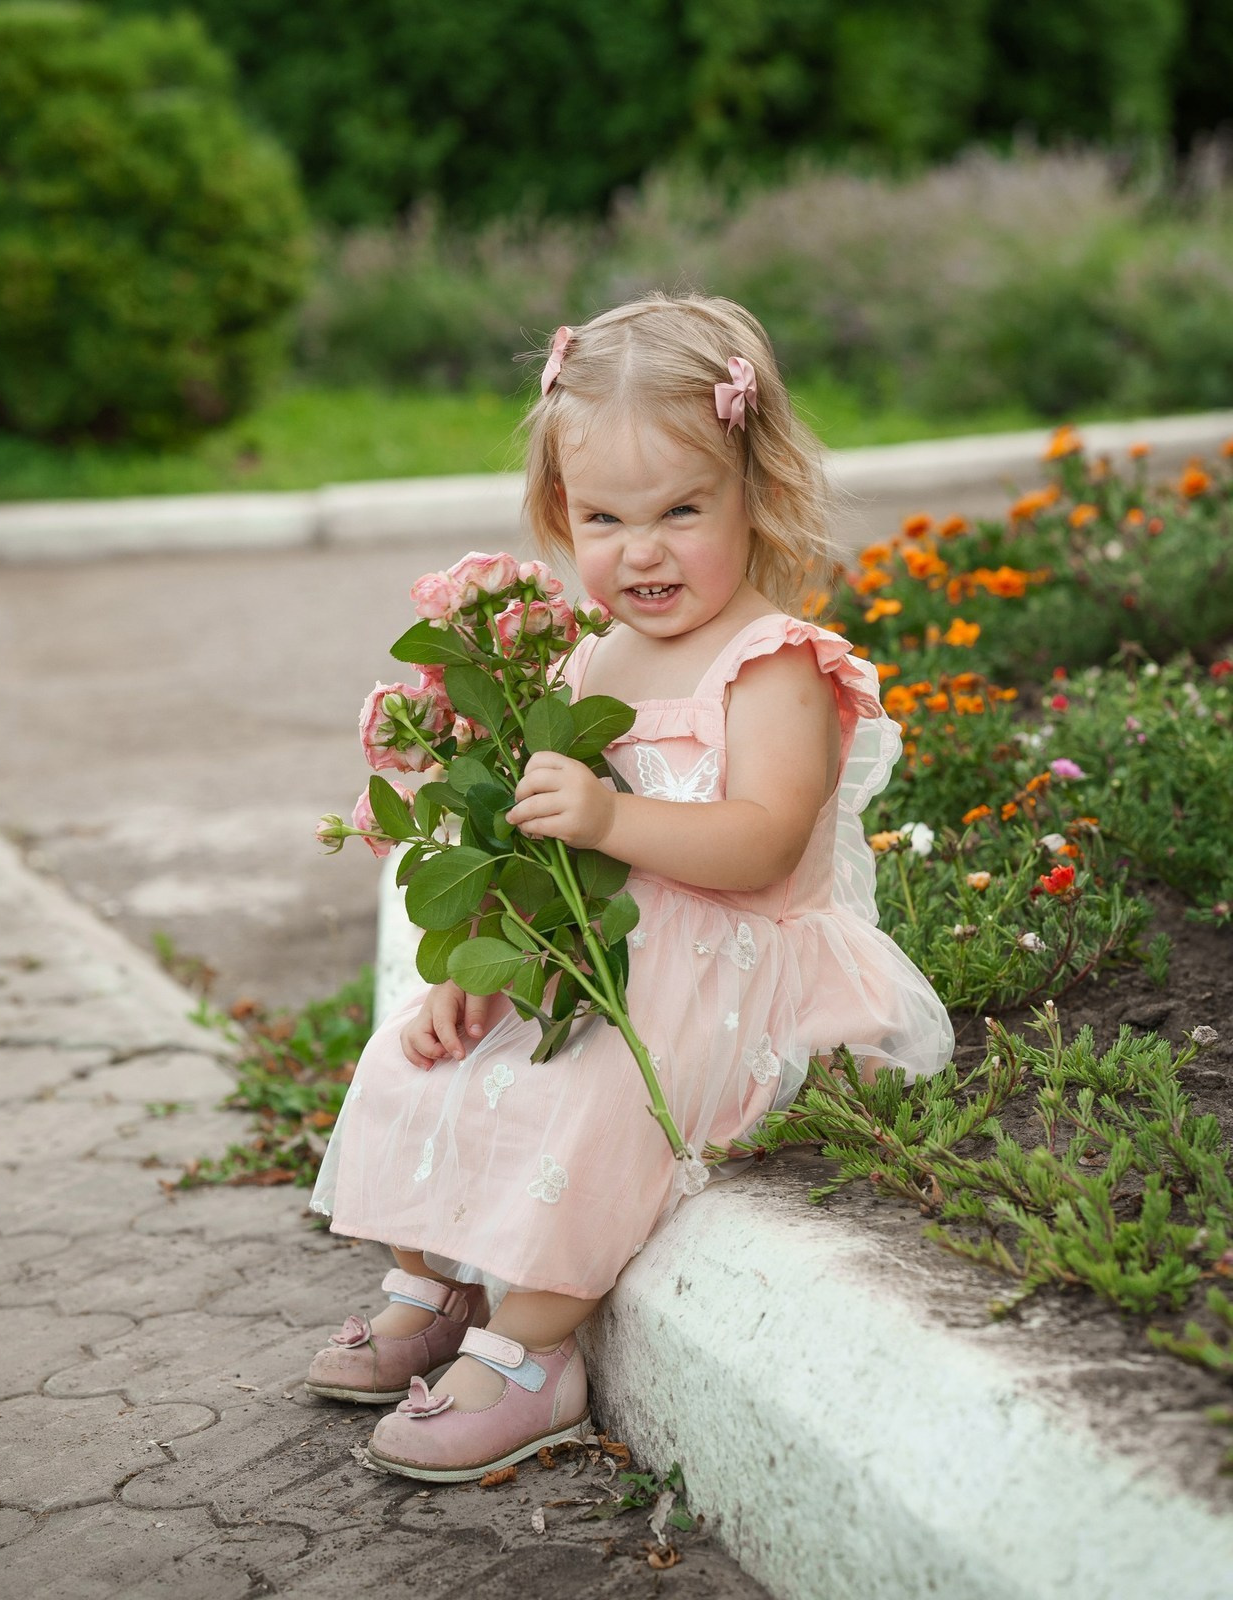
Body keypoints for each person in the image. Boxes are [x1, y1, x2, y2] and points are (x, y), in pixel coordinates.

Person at [304, 294, 955, 1482]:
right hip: (591, 954)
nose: (639, 551)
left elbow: (762, 845)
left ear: (754, 493)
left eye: (679, 511)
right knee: (430, 1056)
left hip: (731, 973)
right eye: (604, 517)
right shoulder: (581, 656)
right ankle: (438, 1284)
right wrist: (481, 958)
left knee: (597, 1097)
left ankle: (533, 1350)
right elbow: (544, 849)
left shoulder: (771, 664)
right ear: (560, 509)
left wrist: (611, 817)